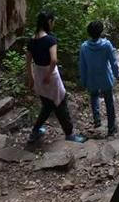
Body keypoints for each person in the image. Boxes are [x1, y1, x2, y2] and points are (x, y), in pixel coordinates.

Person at [26, 9, 86, 145]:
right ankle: (70, 134)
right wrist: (48, 75)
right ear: (49, 22)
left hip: (38, 73)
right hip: (50, 75)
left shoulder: (32, 40)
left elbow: (28, 60)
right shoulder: (50, 39)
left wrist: (30, 78)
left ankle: (35, 131)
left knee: (47, 104)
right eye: (53, 21)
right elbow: (53, 60)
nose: (53, 24)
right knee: (60, 102)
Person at [79, 20, 119, 136]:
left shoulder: (84, 47)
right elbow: (113, 62)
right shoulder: (106, 45)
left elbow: (82, 65)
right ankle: (111, 127)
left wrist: (83, 80)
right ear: (101, 31)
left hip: (91, 78)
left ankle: (97, 120)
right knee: (109, 102)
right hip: (105, 78)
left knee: (94, 98)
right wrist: (117, 74)